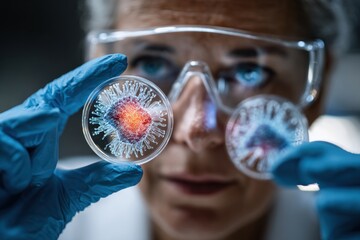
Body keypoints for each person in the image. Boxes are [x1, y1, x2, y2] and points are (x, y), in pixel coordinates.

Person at [0, 0, 359, 240]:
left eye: (250, 71)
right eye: (153, 64)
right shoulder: (32, 216)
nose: (196, 131)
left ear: (318, 88)